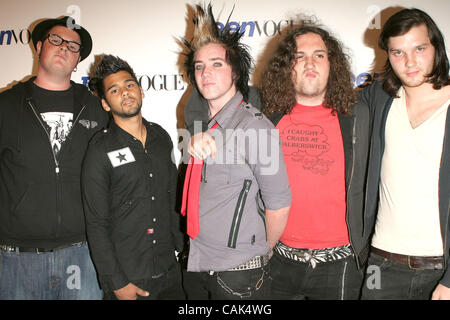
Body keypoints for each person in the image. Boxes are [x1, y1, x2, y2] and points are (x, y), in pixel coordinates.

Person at [180, 4, 291, 300]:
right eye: (200, 66)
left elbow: (279, 204)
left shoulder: (254, 128)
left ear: (235, 71)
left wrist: (258, 251)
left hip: (241, 274)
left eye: (217, 64)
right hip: (200, 264)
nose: (206, 73)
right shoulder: (205, 127)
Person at [0, 16, 106, 300]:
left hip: (82, 255)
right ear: (38, 47)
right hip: (16, 258)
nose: (63, 48)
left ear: (77, 60)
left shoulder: (96, 109)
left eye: (73, 46)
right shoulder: (6, 106)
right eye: (55, 40)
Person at [361, 8, 450, 300]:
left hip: (441, 269)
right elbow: (318, 96)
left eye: (419, 49)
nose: (409, 62)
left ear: (436, 46)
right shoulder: (379, 98)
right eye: (398, 53)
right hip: (381, 264)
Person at [83, 55, 185, 300]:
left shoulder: (161, 138)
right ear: (106, 104)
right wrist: (117, 283)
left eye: (129, 85)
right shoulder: (99, 149)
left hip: (170, 272)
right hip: (129, 279)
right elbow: (96, 224)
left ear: (140, 90)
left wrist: (183, 251)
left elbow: (173, 199)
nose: (125, 93)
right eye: (114, 90)